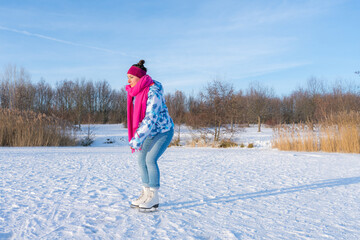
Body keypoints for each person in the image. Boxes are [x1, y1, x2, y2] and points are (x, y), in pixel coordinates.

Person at [125, 60, 174, 211]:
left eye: (131, 77)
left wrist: (137, 138)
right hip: (150, 132)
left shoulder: (153, 92)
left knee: (150, 159)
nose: (128, 81)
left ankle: (154, 196)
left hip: (163, 131)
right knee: (141, 160)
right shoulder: (138, 92)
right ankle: (146, 194)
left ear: (140, 77)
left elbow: (150, 118)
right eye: (127, 77)